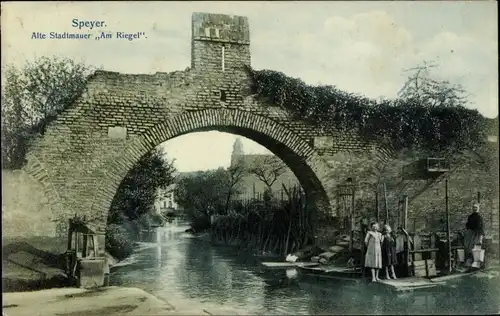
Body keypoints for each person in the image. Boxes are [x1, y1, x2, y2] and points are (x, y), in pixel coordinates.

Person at [463, 203, 485, 268]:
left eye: (476, 207)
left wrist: (481, 236)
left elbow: (481, 227)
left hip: (477, 234)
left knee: (476, 248)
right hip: (470, 234)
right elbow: (467, 225)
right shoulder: (470, 217)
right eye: (474, 207)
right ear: (472, 208)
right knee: (469, 247)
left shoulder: (480, 217)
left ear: (478, 209)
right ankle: (469, 262)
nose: (475, 209)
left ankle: (477, 263)